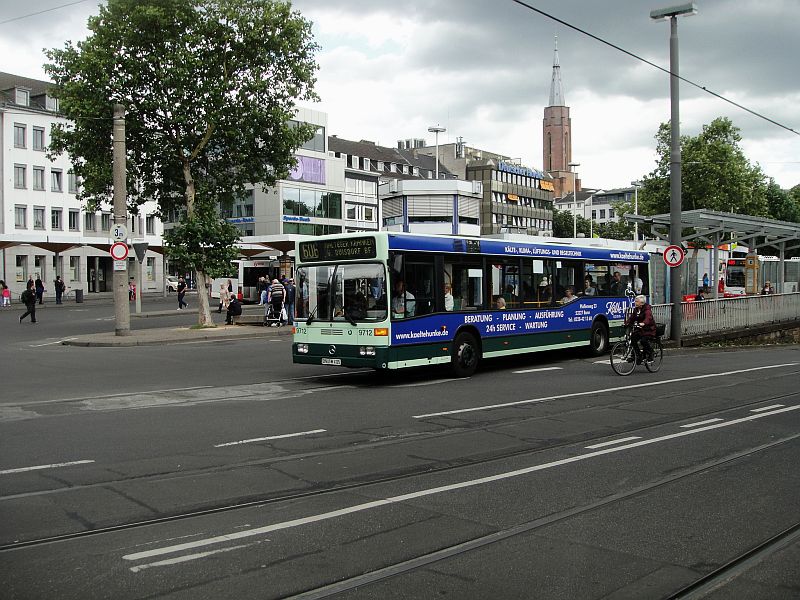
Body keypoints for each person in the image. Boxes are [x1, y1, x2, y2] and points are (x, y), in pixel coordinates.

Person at [625, 294, 656, 362]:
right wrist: (626, 323)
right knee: (633, 338)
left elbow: (648, 318)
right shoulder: (636, 310)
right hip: (641, 329)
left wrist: (643, 323)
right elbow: (632, 318)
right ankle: (637, 355)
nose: (635, 302)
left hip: (649, 330)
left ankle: (651, 353)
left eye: (636, 301)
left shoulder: (647, 309)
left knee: (643, 341)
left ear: (641, 303)